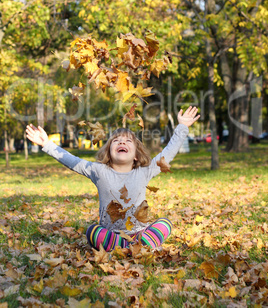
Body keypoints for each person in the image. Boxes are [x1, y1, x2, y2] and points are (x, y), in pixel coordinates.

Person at [26, 106, 200, 252]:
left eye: (128, 141)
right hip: (112, 235)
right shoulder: (99, 171)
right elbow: (72, 161)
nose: (122, 142)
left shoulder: (145, 171)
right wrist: (47, 144)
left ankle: (138, 244)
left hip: (140, 232)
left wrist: (182, 127)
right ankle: (130, 247)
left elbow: (167, 153)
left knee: (165, 224)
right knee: (93, 231)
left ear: (137, 156)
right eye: (116, 141)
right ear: (108, 152)